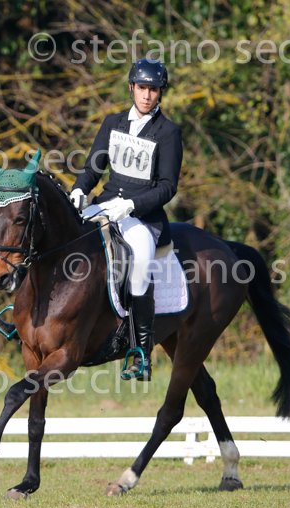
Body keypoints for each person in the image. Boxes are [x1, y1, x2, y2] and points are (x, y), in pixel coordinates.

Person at [69, 58, 183, 381]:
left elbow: (168, 187)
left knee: (141, 261)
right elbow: (94, 167)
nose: (147, 95)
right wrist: (79, 189)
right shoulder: (113, 123)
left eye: (154, 90)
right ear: (131, 87)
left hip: (142, 218)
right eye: (142, 88)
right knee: (64, 240)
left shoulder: (168, 132)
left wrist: (132, 204)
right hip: (105, 207)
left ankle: (140, 352)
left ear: (160, 93)